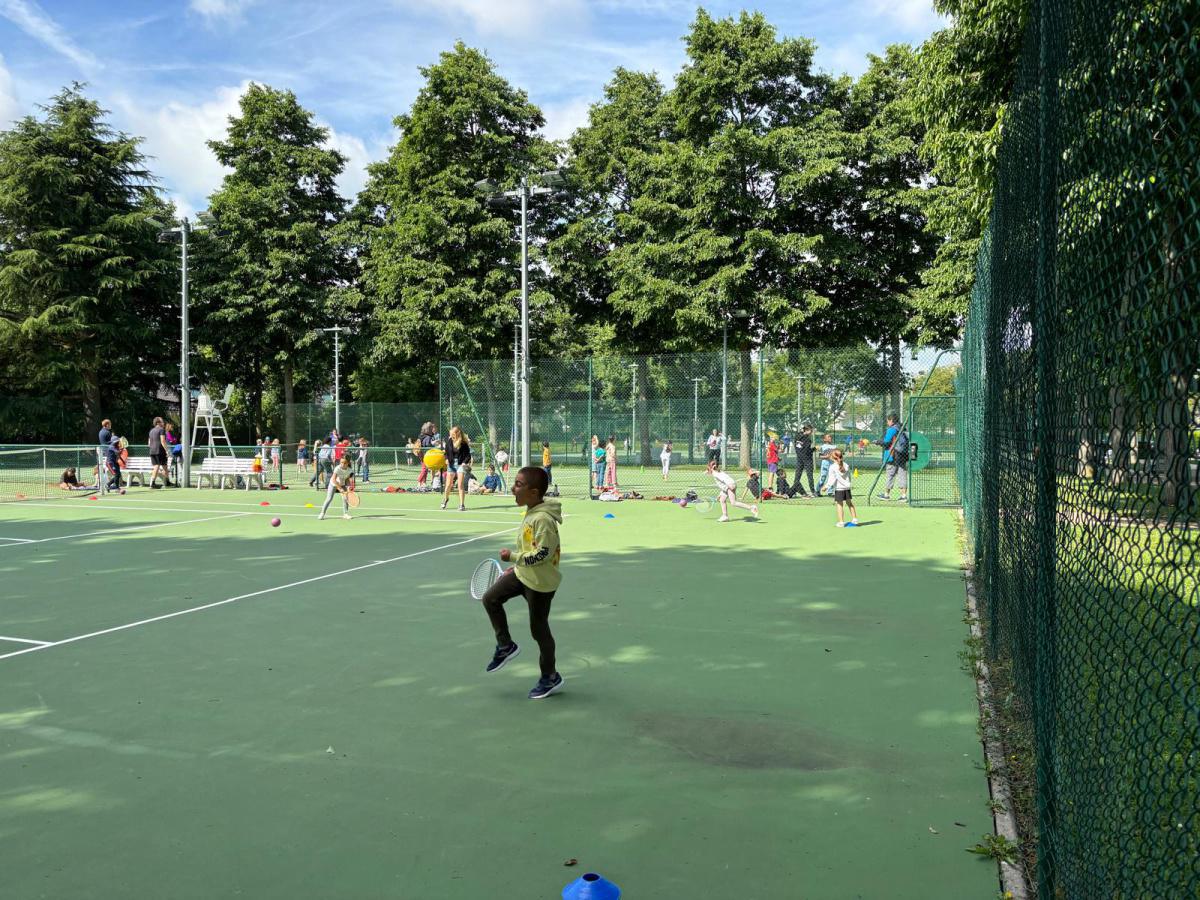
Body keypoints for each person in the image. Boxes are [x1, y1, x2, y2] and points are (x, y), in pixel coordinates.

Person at [480, 466, 564, 700]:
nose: (513, 488)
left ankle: (550, 676)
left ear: (534, 492)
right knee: (490, 598)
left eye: (518, 484)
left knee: (539, 630)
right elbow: (530, 548)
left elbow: (543, 554)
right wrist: (516, 567)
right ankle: (505, 645)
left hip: (540, 583)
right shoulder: (531, 511)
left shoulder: (543, 520)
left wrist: (514, 558)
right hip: (523, 573)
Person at [875, 414, 909, 502]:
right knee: (902, 474)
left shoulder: (892, 429)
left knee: (890, 474)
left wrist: (878, 442)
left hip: (892, 455)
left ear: (891, 421)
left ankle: (886, 495)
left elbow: (886, 442)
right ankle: (904, 496)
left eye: (888, 421)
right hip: (903, 455)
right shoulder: (902, 429)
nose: (887, 422)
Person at [441, 425, 472, 511]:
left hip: (460, 465)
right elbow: (446, 453)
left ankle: (461, 505)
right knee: (448, 485)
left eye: (453, 433)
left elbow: (468, 455)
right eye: (450, 433)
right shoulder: (449, 441)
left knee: (460, 485)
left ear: (457, 433)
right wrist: (446, 459)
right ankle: (445, 499)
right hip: (451, 464)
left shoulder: (463, 443)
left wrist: (464, 463)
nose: (451, 435)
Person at [827, 448, 859, 527]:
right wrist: (848, 484)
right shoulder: (846, 465)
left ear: (832, 457)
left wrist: (826, 486)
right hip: (847, 488)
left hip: (839, 489)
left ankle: (841, 522)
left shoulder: (832, 467)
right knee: (849, 503)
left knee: (839, 505)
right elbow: (849, 476)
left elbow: (832, 479)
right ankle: (855, 519)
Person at [318, 454, 355, 520]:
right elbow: (334, 480)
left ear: (348, 463)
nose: (342, 464)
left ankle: (345, 514)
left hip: (342, 484)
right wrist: (340, 489)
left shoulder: (350, 470)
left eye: (345, 463)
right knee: (329, 498)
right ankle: (322, 513)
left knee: (345, 498)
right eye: (341, 462)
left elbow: (347, 479)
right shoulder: (337, 468)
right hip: (333, 484)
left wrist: (349, 486)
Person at [148, 416, 171, 488]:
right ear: (158, 423)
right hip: (160, 451)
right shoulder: (161, 430)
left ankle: (167, 482)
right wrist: (167, 450)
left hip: (152, 451)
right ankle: (152, 483)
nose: (163, 423)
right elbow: (163, 441)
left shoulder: (151, 431)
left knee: (165, 466)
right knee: (157, 466)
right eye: (162, 421)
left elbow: (149, 443)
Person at [793, 425, 816, 497]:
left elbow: (797, 447)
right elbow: (807, 451)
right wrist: (814, 449)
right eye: (811, 431)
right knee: (810, 475)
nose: (811, 433)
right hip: (807, 460)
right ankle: (813, 491)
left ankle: (794, 491)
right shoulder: (807, 439)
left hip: (799, 458)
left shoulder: (797, 436)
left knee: (797, 476)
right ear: (807, 430)